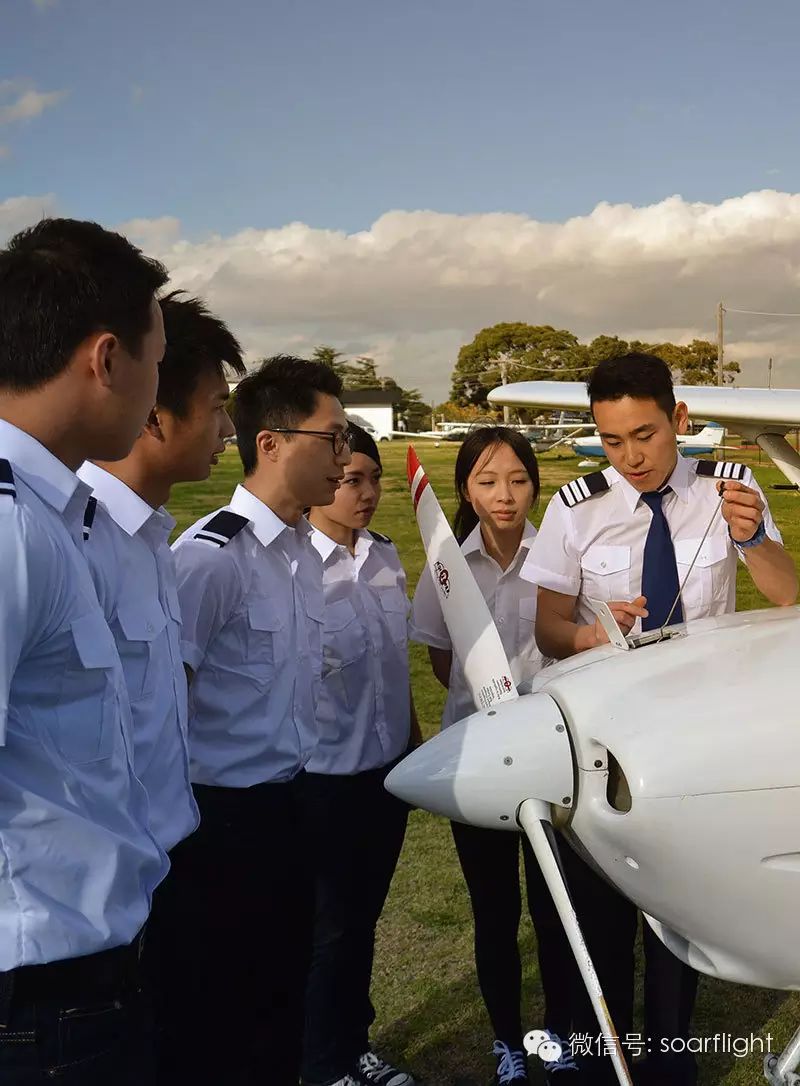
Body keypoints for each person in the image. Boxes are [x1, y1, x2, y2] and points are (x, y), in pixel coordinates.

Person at [527, 352, 798, 1085]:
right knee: (600, 919)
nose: (631, 456)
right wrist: (590, 633)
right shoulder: (575, 508)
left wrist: (754, 542)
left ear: (679, 420)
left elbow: (787, 599)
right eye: (612, 441)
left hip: (694, 746)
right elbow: (549, 626)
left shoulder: (729, 491)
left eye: (644, 434)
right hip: (604, 744)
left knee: (680, 918)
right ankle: (595, 1058)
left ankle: (671, 1062)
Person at [0, 217, 170, 1083]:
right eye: (156, 362)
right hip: (36, 1004)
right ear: (107, 359)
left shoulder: (48, 516)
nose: (157, 397)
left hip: (79, 985)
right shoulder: (10, 526)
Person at [167, 356, 352, 1086]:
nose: (345, 457)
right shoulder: (209, 559)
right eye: (332, 438)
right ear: (270, 442)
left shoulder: (303, 553)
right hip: (220, 824)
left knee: (283, 1005)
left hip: (292, 805)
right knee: (220, 1019)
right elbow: (164, 708)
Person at [76, 292, 246, 1067]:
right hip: (98, 910)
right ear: (153, 411)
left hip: (175, 872)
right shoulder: (76, 543)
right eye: (216, 408)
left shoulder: (151, 539)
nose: (227, 432)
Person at [411, 427, 579, 1086]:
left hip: (553, 761)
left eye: (517, 480)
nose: (504, 496)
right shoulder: (447, 566)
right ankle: (508, 1041)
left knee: (554, 910)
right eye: (486, 481)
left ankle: (558, 1035)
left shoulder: (561, 557)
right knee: (495, 913)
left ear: (536, 485)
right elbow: (441, 661)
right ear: (464, 490)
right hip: (477, 765)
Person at [302, 424, 420, 1086]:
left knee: (362, 922)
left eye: (375, 479)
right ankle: (323, 1065)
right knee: (328, 931)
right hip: (321, 781)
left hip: (384, 774)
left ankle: (354, 1043)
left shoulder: (384, 556)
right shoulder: (294, 568)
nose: (367, 493)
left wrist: (411, 742)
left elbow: (393, 663)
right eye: (353, 480)